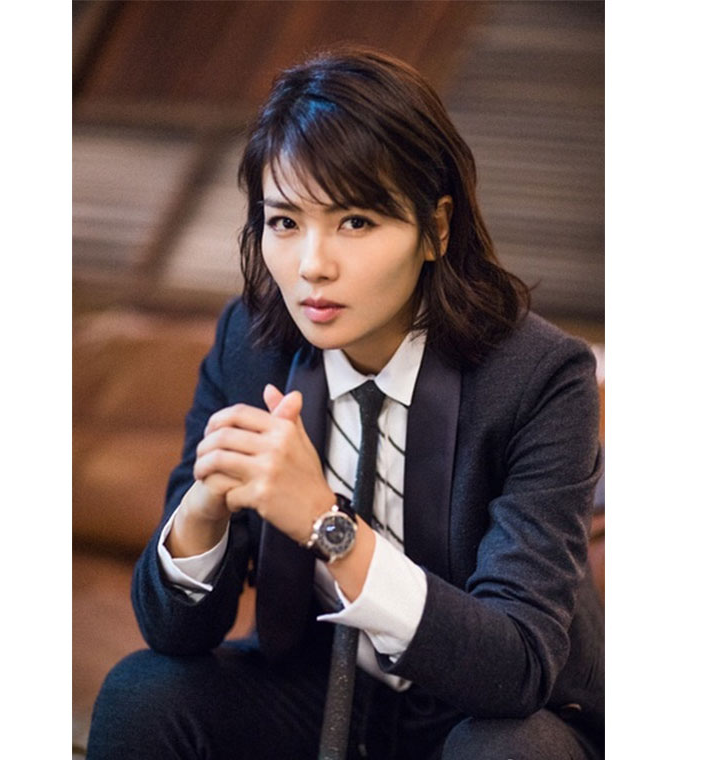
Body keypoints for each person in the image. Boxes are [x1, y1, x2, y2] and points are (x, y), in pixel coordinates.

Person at [87, 46, 604, 760]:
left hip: (484, 708)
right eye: (284, 222)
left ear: (436, 229)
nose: (313, 266)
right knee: (144, 694)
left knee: (516, 750)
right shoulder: (251, 343)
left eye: (355, 221)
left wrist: (327, 525)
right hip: (315, 691)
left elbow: (516, 665)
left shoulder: (541, 378)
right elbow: (175, 631)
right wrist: (203, 510)